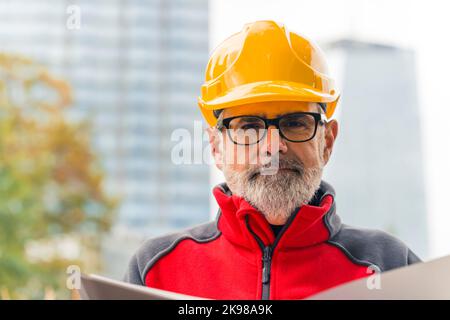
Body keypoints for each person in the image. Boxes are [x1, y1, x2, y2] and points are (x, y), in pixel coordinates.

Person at [124, 20, 421, 300]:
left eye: (295, 123)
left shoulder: (392, 266)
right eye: (249, 126)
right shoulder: (155, 272)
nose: (273, 146)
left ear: (327, 141)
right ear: (216, 147)